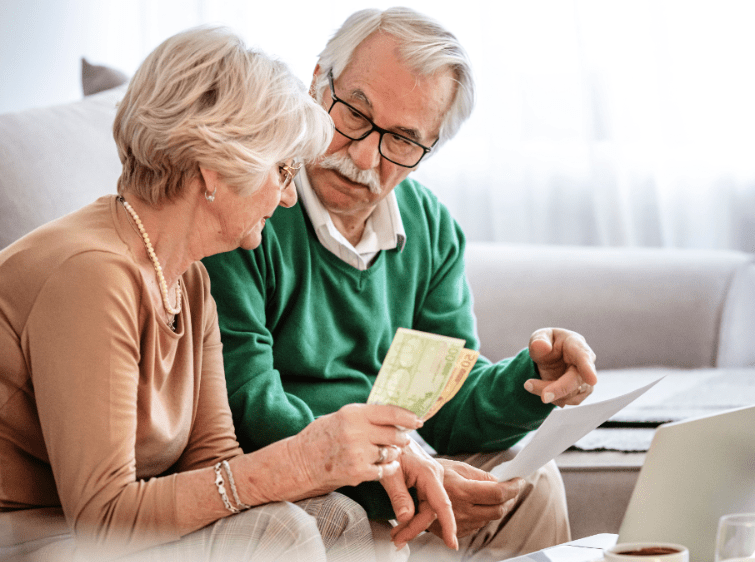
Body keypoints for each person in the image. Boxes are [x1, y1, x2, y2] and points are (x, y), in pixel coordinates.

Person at [0, 25, 457, 562]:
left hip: (94, 523)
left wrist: (353, 457)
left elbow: (214, 461)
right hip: (30, 527)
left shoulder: (189, 279)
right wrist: (304, 462)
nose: (289, 197)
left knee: (333, 520)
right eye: (282, 170)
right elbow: (103, 516)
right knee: (282, 532)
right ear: (215, 168)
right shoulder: (91, 274)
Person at [200, 7, 599, 561]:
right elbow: (245, 404)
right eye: (355, 115)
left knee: (530, 482)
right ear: (318, 81)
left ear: (430, 149)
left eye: (403, 141)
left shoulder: (431, 229)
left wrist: (532, 380)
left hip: (395, 464)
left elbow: (448, 402)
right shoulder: (250, 206)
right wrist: (396, 473)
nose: (364, 156)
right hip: (293, 471)